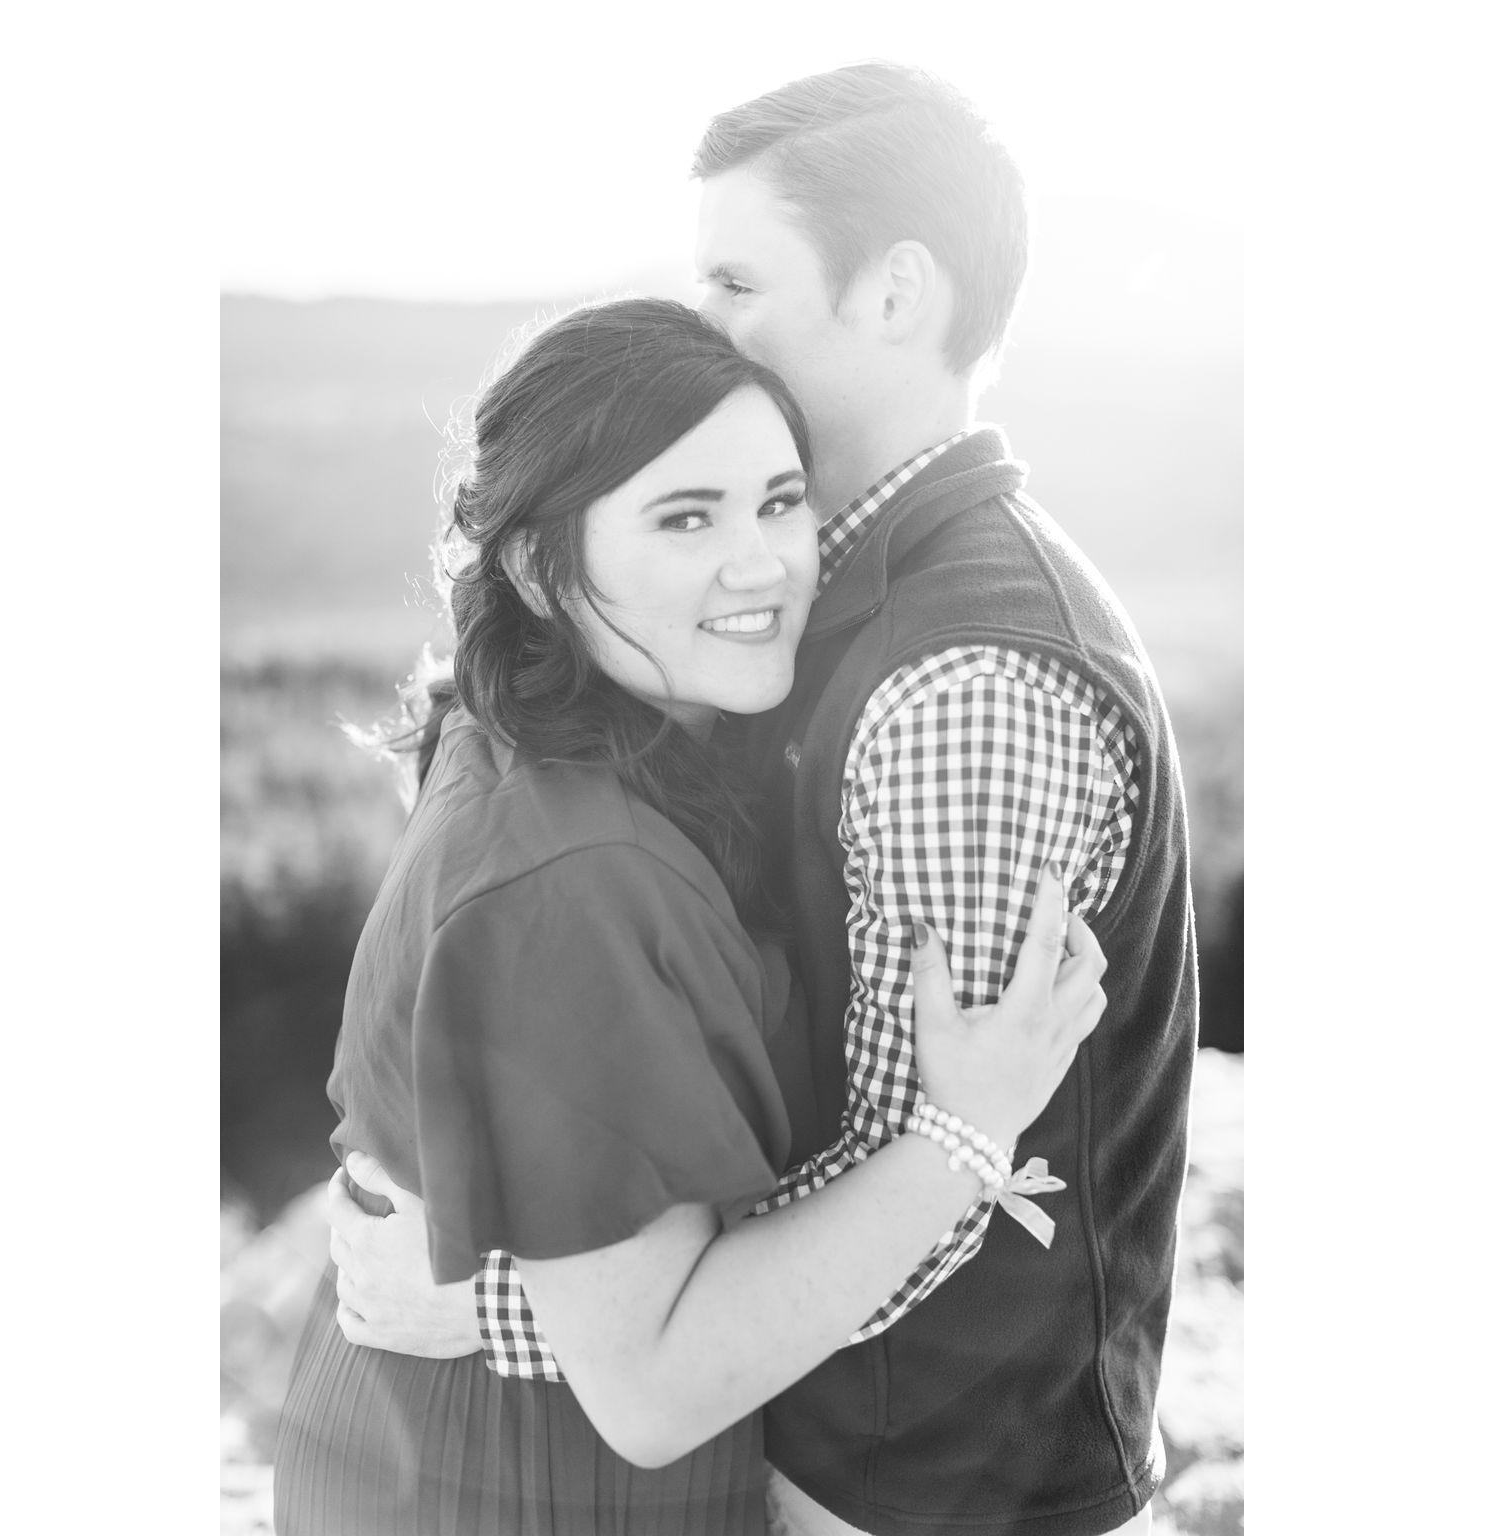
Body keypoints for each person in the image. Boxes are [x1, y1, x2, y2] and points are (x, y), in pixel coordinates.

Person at [332, 63, 1199, 1536]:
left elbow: (932, 1186)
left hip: (926, 1488)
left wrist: (491, 1299)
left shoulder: (964, 687)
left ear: (896, 294)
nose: (705, 321)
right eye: (693, 517)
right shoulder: (810, 612)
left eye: (738, 278)